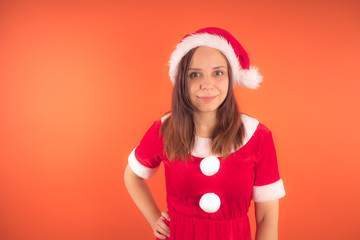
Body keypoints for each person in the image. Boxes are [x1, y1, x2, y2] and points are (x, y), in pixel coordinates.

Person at [124, 27, 286, 240]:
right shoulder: (165, 130)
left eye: (218, 73)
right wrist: (155, 218)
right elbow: (132, 176)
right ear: (182, 81)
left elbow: (267, 219)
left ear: (231, 78)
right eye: (195, 74)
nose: (207, 84)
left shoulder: (257, 136)